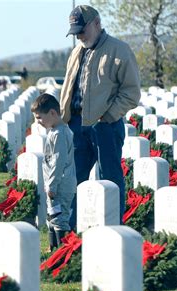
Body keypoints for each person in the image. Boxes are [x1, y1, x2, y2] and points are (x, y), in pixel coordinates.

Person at [60, 5, 141, 228]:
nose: (79, 37)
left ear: (96, 23)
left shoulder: (119, 50)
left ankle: (113, 229)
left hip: (105, 125)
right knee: (75, 179)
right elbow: (69, 88)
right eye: (75, 33)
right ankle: (74, 231)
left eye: (82, 31)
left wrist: (109, 116)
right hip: (76, 125)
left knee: (110, 179)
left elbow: (132, 92)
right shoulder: (76, 52)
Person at [31, 93, 76, 250]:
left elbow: (58, 161)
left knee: (60, 218)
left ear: (52, 113)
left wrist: (52, 185)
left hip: (60, 184)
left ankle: (63, 251)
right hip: (56, 183)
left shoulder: (59, 134)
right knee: (53, 216)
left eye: (39, 118)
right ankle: (53, 248)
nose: (38, 122)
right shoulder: (54, 131)